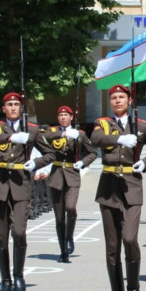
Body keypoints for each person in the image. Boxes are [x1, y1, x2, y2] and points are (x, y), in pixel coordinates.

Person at [91, 84, 146, 291]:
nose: (117, 101)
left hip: (132, 185)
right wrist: (120, 139)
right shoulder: (102, 124)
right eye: (113, 97)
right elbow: (96, 139)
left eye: (122, 97)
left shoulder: (141, 125)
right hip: (109, 185)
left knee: (130, 239)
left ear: (130, 101)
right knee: (112, 246)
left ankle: (133, 290)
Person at [0, 92, 56, 291]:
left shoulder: (32, 129)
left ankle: (18, 275)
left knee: (18, 231)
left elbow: (51, 153)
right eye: (10, 104)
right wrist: (11, 137)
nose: (14, 107)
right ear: (3, 108)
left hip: (20, 184)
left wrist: (35, 163)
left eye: (17, 104)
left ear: (21, 108)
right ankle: (5, 279)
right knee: (0, 236)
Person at [44, 105, 97, 263]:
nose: (63, 117)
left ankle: (69, 237)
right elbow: (45, 137)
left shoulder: (79, 134)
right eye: (60, 115)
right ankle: (63, 251)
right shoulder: (53, 132)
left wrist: (82, 162)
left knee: (71, 207)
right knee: (59, 217)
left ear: (71, 117)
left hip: (72, 175)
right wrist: (65, 133)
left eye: (66, 115)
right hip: (57, 175)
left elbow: (93, 152)